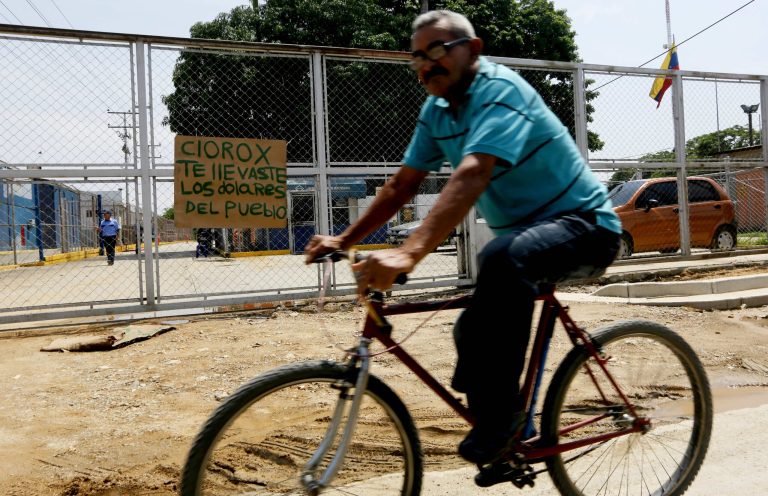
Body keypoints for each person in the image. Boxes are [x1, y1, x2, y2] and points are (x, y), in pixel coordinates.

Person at [304, 10, 621, 470]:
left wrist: (409, 252)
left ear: (472, 50)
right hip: (529, 239)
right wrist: (343, 238)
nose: (425, 64)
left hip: (586, 226)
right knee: (470, 327)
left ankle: (501, 426)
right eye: (416, 57)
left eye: (437, 51)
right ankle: (513, 431)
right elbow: (401, 185)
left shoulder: (499, 91)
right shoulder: (436, 111)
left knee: (501, 260)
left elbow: (474, 171)